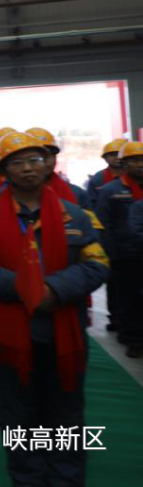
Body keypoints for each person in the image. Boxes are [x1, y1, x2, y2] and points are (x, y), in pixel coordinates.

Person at [0, 132, 109, 487]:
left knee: (66, 411)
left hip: (63, 330)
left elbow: (97, 262)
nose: (28, 168)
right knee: (17, 411)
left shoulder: (76, 215)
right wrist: (22, 288)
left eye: (35, 160)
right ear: (3, 171)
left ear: (48, 166)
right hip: (10, 332)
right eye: (17, 163)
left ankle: (66, 477)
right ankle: (26, 476)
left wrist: (55, 290)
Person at [95, 141, 143, 357]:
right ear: (124, 164)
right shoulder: (110, 190)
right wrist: (110, 254)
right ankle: (133, 338)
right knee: (129, 298)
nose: (140, 165)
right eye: (135, 160)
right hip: (125, 255)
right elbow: (103, 224)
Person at [86, 138, 128, 206]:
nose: (117, 157)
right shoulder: (97, 179)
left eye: (119, 154)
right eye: (112, 155)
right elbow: (92, 204)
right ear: (105, 158)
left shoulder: (135, 175)